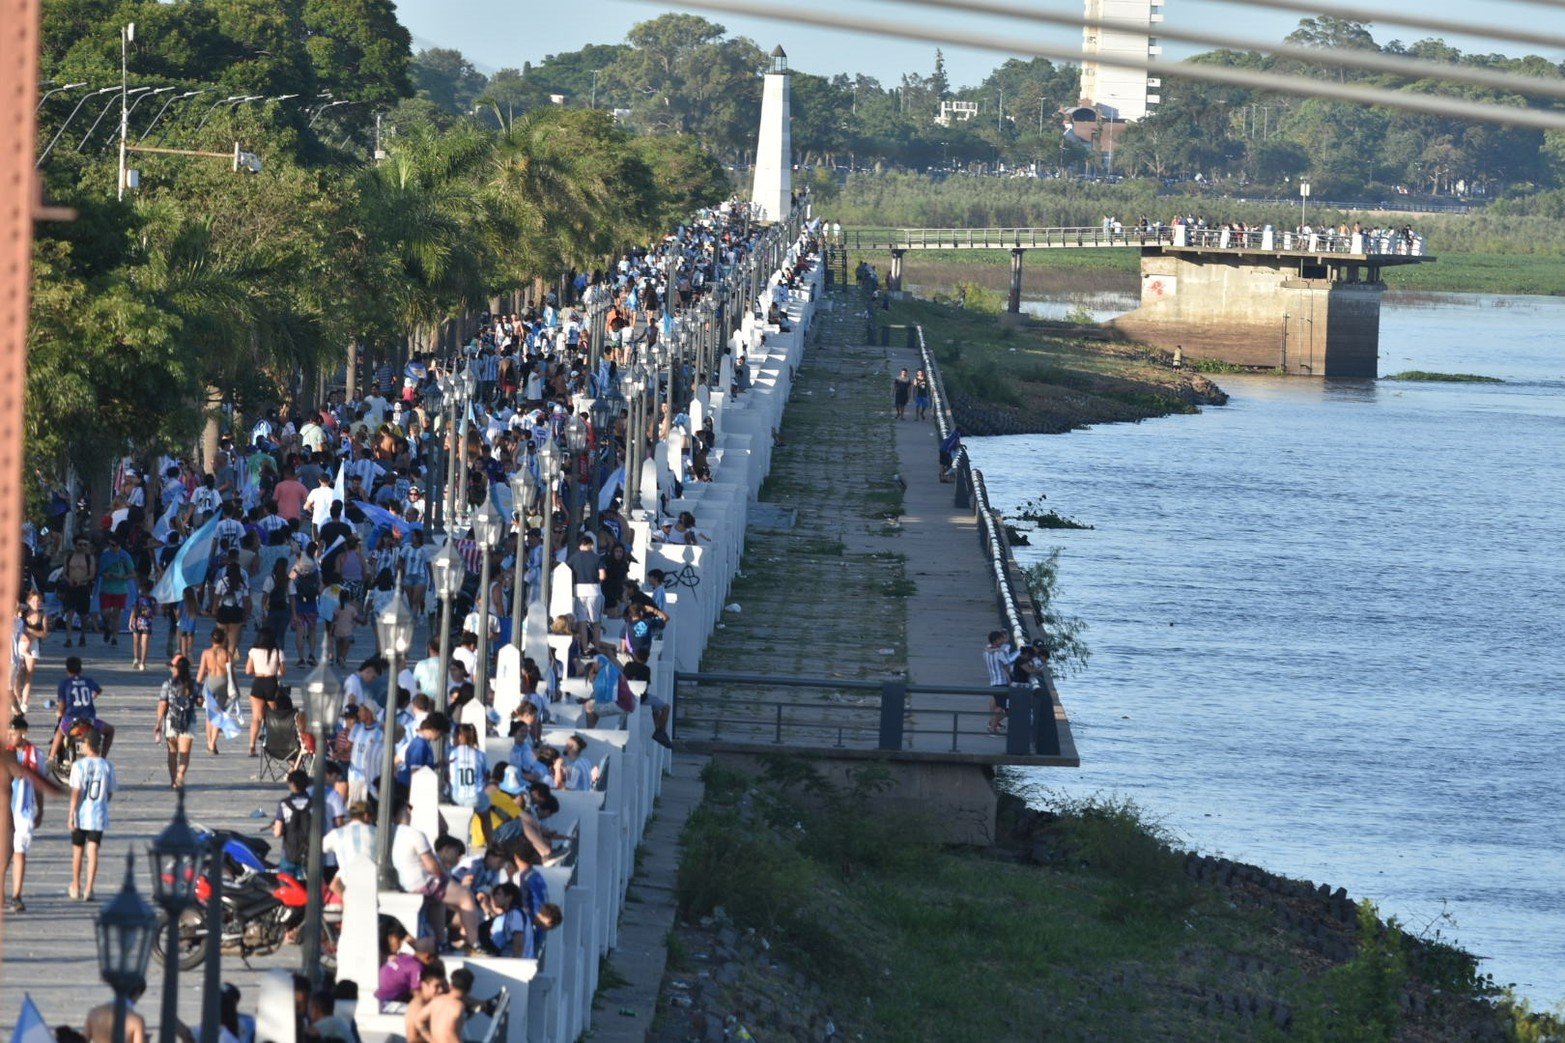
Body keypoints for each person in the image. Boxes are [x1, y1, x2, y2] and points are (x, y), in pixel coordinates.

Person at [391, 804, 480, 953]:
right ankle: (475, 945)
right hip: (420, 883)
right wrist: (445, 878)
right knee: (466, 897)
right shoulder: (414, 834)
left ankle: (441, 943)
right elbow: (431, 866)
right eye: (408, 808)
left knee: (439, 901)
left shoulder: (388, 833)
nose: (410, 812)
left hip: (403, 884)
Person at [68, 728, 115, 901]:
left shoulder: (78, 765)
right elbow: (109, 793)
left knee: (78, 850)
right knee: (93, 849)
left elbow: (76, 792)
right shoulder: (107, 766)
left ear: (87, 745)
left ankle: (76, 884)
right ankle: (89, 888)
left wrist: (71, 814)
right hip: (98, 814)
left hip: (81, 813)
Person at [48, 656, 115, 765]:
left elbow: (62, 705)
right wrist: (93, 696)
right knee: (110, 730)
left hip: (71, 722)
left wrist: (59, 712)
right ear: (81, 669)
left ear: (67, 670)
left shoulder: (64, 683)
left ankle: (51, 758)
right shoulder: (88, 681)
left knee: (59, 732)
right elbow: (98, 690)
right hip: (89, 722)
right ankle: (103, 758)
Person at [7, 714, 43, 912]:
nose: (11, 736)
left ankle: (16, 895)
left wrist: (41, 810)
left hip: (23, 810)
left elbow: (39, 784)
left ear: (24, 732)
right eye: (9, 733)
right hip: (5, 808)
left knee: (19, 851)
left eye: (14, 733)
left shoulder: (35, 754)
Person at [153, 655, 198, 789]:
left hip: (171, 721)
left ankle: (173, 781)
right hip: (188, 721)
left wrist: (158, 723)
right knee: (185, 754)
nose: (170, 669)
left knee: (172, 752)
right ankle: (180, 776)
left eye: (172, 666)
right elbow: (200, 702)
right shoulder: (193, 684)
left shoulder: (168, 684)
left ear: (176, 669)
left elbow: (162, 704)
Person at [243, 628, 286, 757]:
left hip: (258, 683)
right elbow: (283, 672)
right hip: (271, 683)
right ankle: (274, 743)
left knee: (256, 718)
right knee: (274, 716)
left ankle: (252, 746)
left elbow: (248, 670)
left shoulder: (254, 651)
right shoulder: (278, 652)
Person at [197, 627, 235, 756]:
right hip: (223, 683)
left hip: (210, 683)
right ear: (223, 639)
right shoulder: (227, 654)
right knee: (219, 714)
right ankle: (213, 742)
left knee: (209, 714)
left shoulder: (206, 653)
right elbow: (231, 672)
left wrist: (197, 689)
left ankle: (209, 742)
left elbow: (201, 673)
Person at [271, 769, 312, 877]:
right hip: (309, 853)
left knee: (287, 886)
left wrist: (275, 827)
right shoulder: (314, 803)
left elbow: (277, 833)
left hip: (289, 852)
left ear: (292, 784)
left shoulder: (284, 804)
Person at [97, 534, 136, 645]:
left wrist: (123, 577)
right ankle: (107, 626)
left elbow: (132, 573)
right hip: (106, 587)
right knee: (105, 612)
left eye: (113, 545)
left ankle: (115, 637)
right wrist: (105, 574)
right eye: (109, 544)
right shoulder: (105, 555)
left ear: (119, 545)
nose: (110, 547)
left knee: (117, 614)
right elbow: (100, 570)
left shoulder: (125, 556)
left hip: (120, 588)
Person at [59, 535, 96, 647]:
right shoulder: (69, 557)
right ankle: (69, 638)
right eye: (80, 544)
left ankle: (82, 635)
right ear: (75, 545)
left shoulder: (90, 558)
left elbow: (92, 574)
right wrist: (68, 580)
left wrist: (82, 580)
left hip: (83, 587)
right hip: (71, 587)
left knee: (83, 615)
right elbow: (64, 572)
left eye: (85, 545)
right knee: (69, 612)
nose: (83, 547)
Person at [983, 630, 1019, 735]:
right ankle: (992, 728)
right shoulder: (1000, 653)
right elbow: (1007, 666)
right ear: (996, 640)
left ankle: (992, 724)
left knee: (996, 703)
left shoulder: (986, 652)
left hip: (993, 681)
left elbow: (987, 648)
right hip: (1002, 682)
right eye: (1000, 639)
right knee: (1001, 707)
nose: (1002, 641)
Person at [128, 577, 157, 671]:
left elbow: (134, 610)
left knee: (136, 642)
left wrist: (130, 621)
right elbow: (155, 612)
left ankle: (136, 658)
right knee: (145, 644)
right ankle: (143, 663)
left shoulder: (138, 598)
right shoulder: (153, 599)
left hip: (138, 621)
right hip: (147, 623)